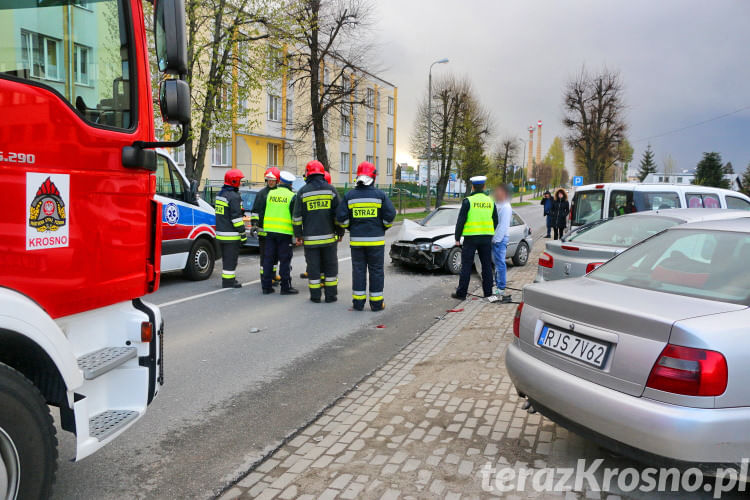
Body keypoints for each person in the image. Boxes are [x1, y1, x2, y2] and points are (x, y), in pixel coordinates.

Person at [336, 162, 396, 311]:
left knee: (358, 271)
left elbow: (341, 218)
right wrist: (383, 227)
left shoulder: (350, 195)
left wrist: (350, 227)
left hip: (357, 242)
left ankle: (358, 303)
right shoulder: (380, 195)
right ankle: (376, 304)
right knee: (376, 271)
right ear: (373, 177)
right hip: (376, 242)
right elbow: (390, 215)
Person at [294, 160, 343, 303]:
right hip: (329, 240)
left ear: (308, 174)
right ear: (322, 173)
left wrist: (298, 235)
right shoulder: (331, 190)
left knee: (314, 268)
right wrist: (339, 232)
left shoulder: (302, 192)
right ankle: (331, 296)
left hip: (310, 240)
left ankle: (315, 296)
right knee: (330, 267)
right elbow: (338, 215)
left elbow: (297, 217)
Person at [452, 176, 498, 300]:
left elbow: (461, 220)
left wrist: (457, 237)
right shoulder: (490, 201)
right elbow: (496, 220)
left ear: (472, 187)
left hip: (470, 238)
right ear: (484, 187)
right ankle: (488, 293)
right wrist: (489, 231)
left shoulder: (468, 201)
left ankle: (461, 294)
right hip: (486, 238)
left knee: (466, 266)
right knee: (486, 266)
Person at [260, 171, 299, 295]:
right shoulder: (292, 196)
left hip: (270, 231)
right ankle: (285, 287)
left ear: (280, 181)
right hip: (284, 232)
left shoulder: (270, 193)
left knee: (268, 259)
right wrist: (298, 234)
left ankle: (266, 286)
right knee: (285, 260)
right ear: (291, 184)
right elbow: (295, 216)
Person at [215, 169, 247, 288]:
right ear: (234, 181)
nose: (241, 183)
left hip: (220, 233)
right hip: (231, 235)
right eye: (239, 180)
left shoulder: (220, 194)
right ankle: (228, 282)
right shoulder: (234, 196)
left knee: (226, 259)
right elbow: (236, 219)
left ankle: (228, 279)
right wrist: (243, 234)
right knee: (231, 259)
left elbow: (225, 213)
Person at [251, 167, 282, 285]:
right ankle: (265, 277)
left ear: (277, 181)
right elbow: (255, 212)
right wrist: (255, 225)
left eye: (273, 180)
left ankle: (273, 275)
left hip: (276, 230)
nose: (270, 182)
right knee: (265, 256)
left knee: (275, 255)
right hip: (264, 231)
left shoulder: (279, 194)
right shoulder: (261, 194)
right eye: (268, 179)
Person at [492, 184, 512, 302]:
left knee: (500, 264)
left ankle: (501, 288)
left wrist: (496, 239)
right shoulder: (498, 204)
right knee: (497, 264)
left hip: (500, 239)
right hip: (496, 238)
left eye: (498, 192)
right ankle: (498, 286)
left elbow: (503, 225)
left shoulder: (506, 207)